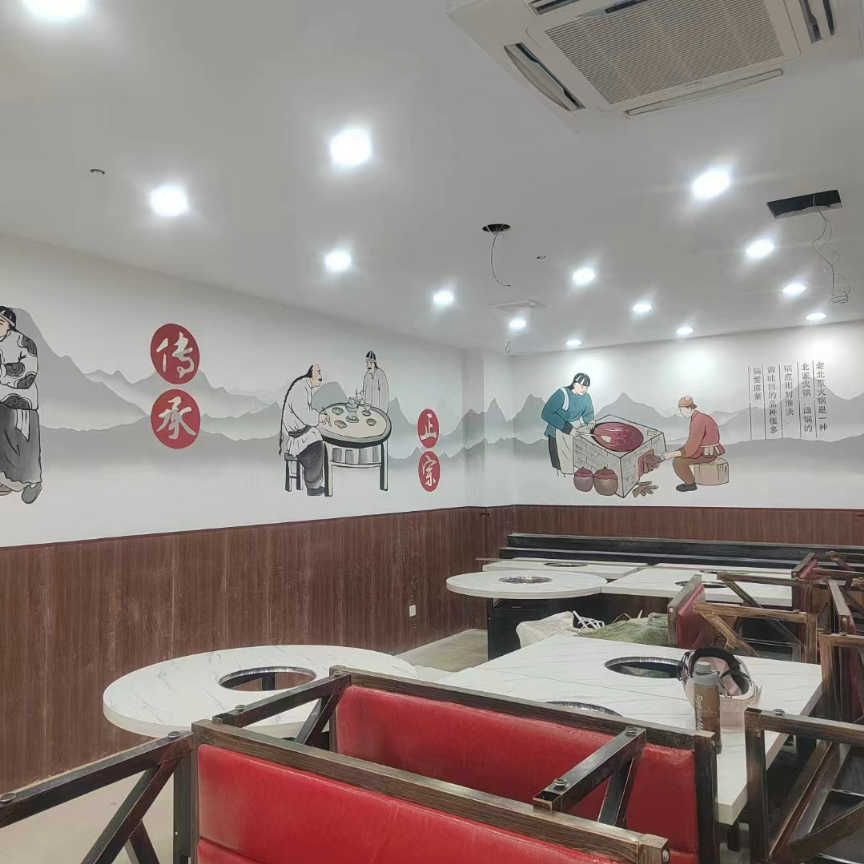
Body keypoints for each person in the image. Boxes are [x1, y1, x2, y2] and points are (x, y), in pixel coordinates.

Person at [0, 307, 42, 504]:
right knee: (4, 445)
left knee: (21, 443)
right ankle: (8, 480)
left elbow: (27, 372)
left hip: (20, 402)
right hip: (1, 402)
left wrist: (2, 372)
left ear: (10, 325)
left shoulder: (23, 343)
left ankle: (32, 483)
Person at [279, 364, 327, 496]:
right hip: (298, 437)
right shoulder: (300, 389)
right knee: (318, 446)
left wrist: (318, 416)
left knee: (320, 439)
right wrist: (319, 417)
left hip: (302, 431)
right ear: (311, 374)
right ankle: (312, 487)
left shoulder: (305, 387)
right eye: (318, 372)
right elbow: (305, 415)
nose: (321, 376)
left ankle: (315, 482)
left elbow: (307, 412)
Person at [664, 396, 725, 492]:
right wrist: (678, 452)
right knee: (679, 454)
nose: (681, 413)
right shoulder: (700, 417)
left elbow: (692, 446)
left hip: (707, 453)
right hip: (704, 450)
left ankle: (690, 484)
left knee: (678, 462)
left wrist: (673, 454)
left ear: (689, 408)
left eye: (682, 410)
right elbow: (692, 443)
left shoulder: (698, 421)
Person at [541, 372, 595, 474]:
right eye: (582, 386)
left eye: (586, 387)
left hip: (576, 430)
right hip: (557, 430)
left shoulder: (586, 397)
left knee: (576, 460)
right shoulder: (562, 394)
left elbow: (588, 413)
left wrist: (590, 423)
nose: (584, 389)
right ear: (575, 383)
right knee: (559, 466)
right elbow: (546, 413)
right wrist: (568, 429)